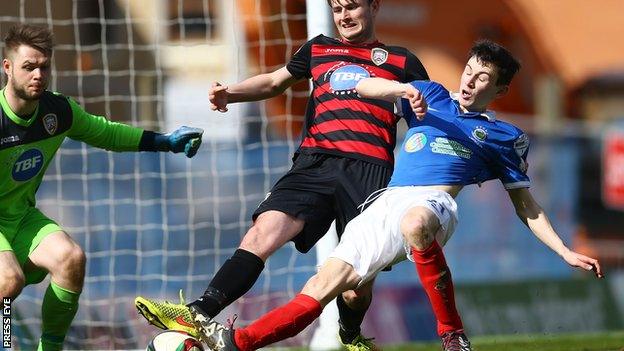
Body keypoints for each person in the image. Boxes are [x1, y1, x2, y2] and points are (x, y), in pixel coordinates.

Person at [175, 40, 604, 351]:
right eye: (469, 70)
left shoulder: (503, 136)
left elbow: (524, 203)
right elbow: (364, 88)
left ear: (500, 89)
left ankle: (452, 335)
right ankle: (236, 344)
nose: (470, 81)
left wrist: (564, 251)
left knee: (416, 224)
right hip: (385, 201)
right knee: (323, 285)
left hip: (435, 202)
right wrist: (401, 89)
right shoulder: (431, 95)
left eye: (483, 78)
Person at [134, 0, 428, 349]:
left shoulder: (403, 61)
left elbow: (427, 124)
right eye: (337, 9)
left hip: (370, 173)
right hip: (314, 162)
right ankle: (198, 312)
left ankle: (350, 335)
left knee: (354, 288)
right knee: (263, 231)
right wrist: (232, 93)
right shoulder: (319, 47)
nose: (344, 17)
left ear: (374, 6)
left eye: (351, 7)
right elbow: (275, 82)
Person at [0, 24, 203, 351]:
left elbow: (106, 133)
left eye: (44, 66)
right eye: (28, 67)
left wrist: (164, 142)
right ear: (7, 67)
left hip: (21, 218)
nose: (38, 74)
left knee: (70, 258)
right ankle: (5, 343)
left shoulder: (58, 112)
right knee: (8, 281)